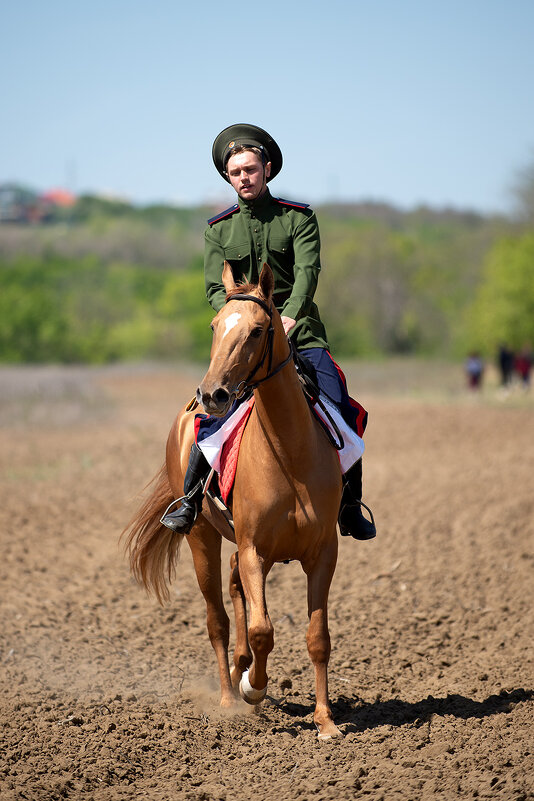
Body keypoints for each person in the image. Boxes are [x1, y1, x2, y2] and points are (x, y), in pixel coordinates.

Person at [162, 123, 376, 541]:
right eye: (235, 172)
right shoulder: (218, 230)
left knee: (340, 407)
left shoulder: (298, 219)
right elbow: (213, 288)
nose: (243, 177)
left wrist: (289, 317)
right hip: (245, 344)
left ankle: (350, 506)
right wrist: (240, 322)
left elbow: (308, 273)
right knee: (212, 407)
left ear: (267, 169)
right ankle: (189, 500)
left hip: (302, 335)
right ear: (228, 177)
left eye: (251, 169)